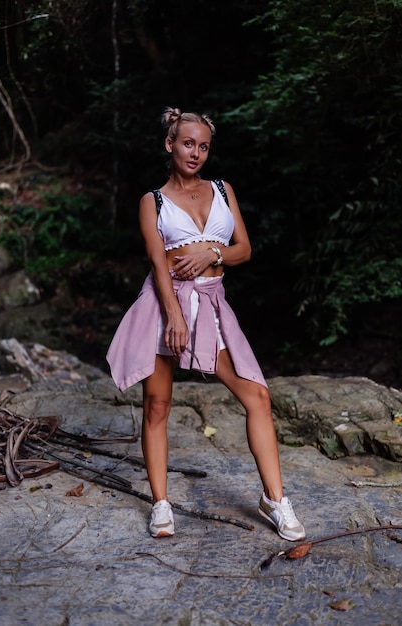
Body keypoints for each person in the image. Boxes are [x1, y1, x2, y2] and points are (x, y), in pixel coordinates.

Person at [106, 107, 305, 542]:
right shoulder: (152, 201)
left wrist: (212, 254)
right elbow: (159, 264)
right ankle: (161, 504)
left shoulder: (221, 188)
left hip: (213, 303)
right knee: (157, 406)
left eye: (203, 146)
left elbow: (244, 249)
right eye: (188, 143)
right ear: (170, 144)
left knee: (257, 395)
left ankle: (275, 499)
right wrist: (173, 317)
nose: (195, 152)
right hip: (165, 306)